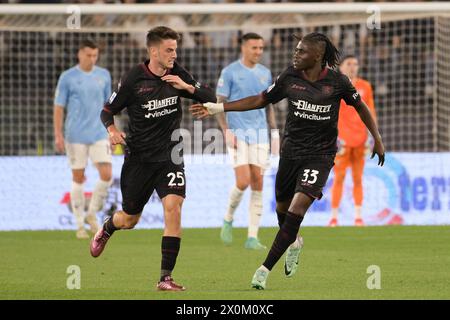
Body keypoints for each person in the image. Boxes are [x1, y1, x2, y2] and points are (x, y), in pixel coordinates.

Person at [190, 32, 385, 290]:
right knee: (282, 211)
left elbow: (361, 107)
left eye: (302, 51)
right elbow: (261, 99)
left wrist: (378, 139)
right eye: (296, 50)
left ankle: (263, 269)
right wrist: (220, 107)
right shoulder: (289, 77)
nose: (296, 54)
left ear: (317, 56)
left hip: (320, 156)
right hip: (290, 153)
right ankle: (294, 242)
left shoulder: (338, 82)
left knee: (296, 211)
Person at [91, 26, 216, 292]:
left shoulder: (177, 72)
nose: (174, 54)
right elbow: (107, 111)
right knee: (130, 219)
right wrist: (112, 130)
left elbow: (211, 97)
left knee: (174, 207)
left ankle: (165, 278)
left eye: (176, 49)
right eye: (169, 50)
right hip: (140, 159)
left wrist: (187, 87)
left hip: (171, 154)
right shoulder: (134, 78)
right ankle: (108, 227)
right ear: (153, 51)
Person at [215, 33, 279, 250]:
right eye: (254, 48)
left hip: (260, 134)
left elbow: (268, 104)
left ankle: (252, 237)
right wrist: (226, 131)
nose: (258, 52)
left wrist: (275, 133)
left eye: (261, 48)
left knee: (258, 183)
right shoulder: (230, 72)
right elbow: (219, 104)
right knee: (243, 181)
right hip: (238, 133)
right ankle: (228, 217)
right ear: (243, 48)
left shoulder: (265, 73)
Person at [53, 39, 113, 239]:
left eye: (95, 55)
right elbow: (59, 107)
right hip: (75, 135)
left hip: (99, 133)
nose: (92, 58)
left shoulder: (104, 75)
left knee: (107, 174)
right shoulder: (68, 77)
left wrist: (112, 131)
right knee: (78, 177)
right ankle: (79, 224)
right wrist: (58, 134)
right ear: (80, 54)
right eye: (88, 55)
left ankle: (91, 214)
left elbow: (108, 106)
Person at [329, 55, 377, 227]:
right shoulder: (334, 86)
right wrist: (333, 137)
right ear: (341, 67)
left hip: (361, 140)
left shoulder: (365, 86)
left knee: (358, 178)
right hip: (342, 140)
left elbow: (371, 112)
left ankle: (358, 217)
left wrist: (373, 137)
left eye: (355, 64)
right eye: (349, 64)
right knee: (339, 178)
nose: (353, 67)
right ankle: (334, 217)